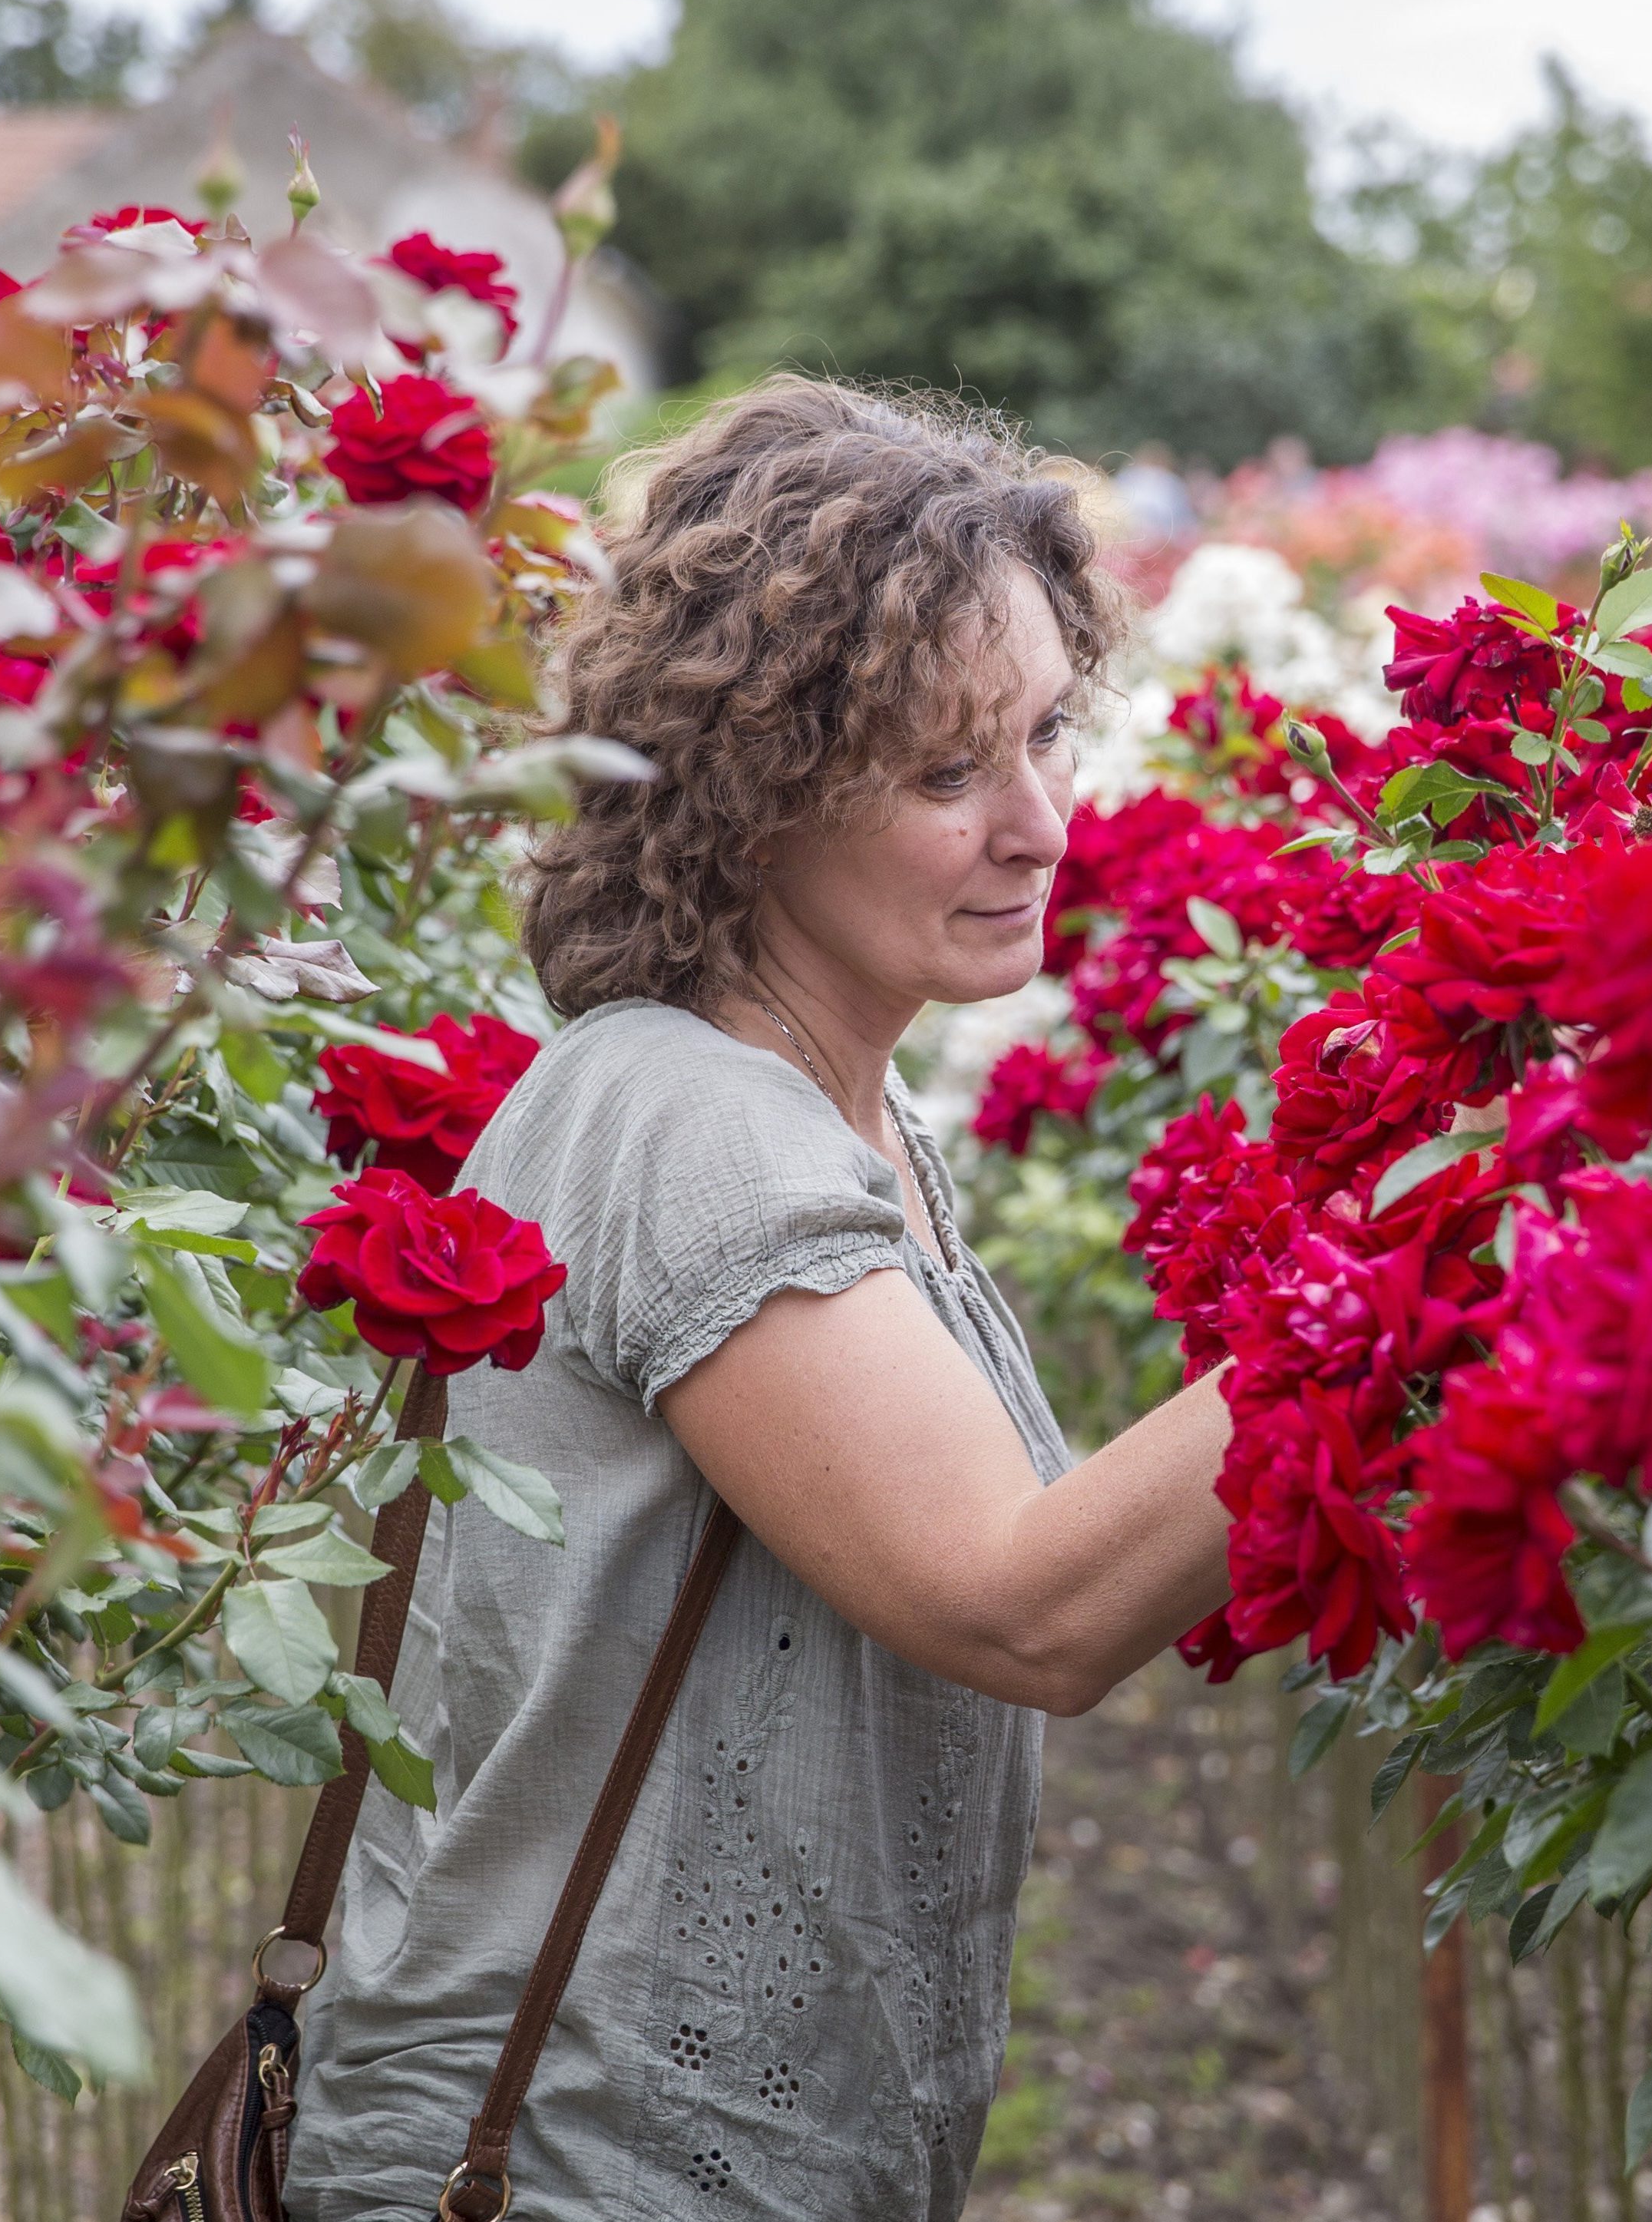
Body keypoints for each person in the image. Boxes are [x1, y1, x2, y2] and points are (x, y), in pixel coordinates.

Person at [287, 377, 1238, 2222]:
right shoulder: (687, 1117)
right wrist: (1427, 1285)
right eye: (946, 771)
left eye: (1046, 733)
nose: (1039, 822)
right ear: (750, 794)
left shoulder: (834, 1115)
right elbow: (1024, 1599)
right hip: (580, 2168)